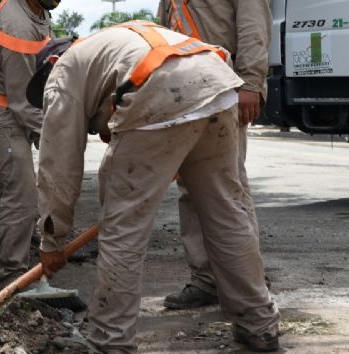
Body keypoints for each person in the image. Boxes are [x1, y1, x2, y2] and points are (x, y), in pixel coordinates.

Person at [32, 22, 280, 353]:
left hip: (161, 91)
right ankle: (259, 324)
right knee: (227, 213)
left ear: (51, 63)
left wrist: (52, 238)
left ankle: (110, 341)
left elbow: (58, 164)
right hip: (215, 85)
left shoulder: (63, 72)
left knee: (123, 227)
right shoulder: (116, 42)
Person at [156, 0, 272, 311]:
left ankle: (246, 281)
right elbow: (161, 38)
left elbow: (254, 20)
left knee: (228, 186)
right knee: (190, 189)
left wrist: (252, 83)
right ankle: (205, 279)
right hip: (185, 97)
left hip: (226, 89)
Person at [0, 0, 75, 284]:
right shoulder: (17, 26)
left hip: (15, 103)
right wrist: (55, 134)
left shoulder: (34, 6)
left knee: (20, 186)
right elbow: (22, 102)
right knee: (23, 190)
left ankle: (18, 242)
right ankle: (9, 272)